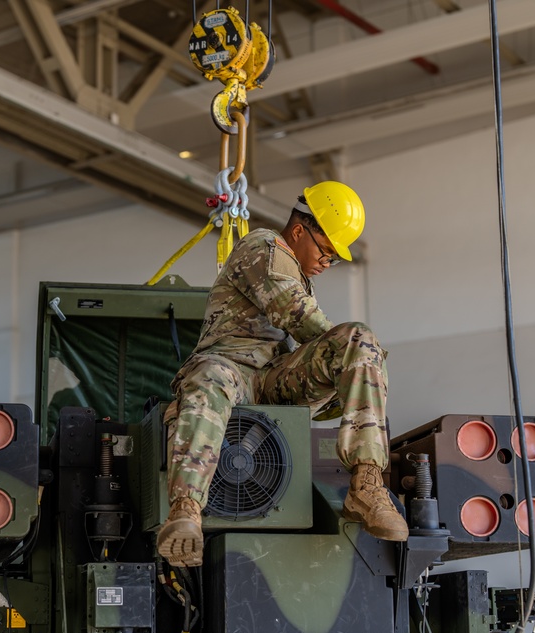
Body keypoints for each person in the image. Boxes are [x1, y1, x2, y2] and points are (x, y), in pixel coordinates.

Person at [156, 181, 408, 567]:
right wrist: (345, 372)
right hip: (230, 366)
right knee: (210, 380)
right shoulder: (262, 247)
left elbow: (325, 342)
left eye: (333, 258)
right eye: (326, 251)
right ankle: (186, 510)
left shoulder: (300, 274)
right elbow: (295, 314)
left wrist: (360, 366)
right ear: (298, 231)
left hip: (273, 377)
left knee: (361, 339)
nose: (327, 263)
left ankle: (367, 484)